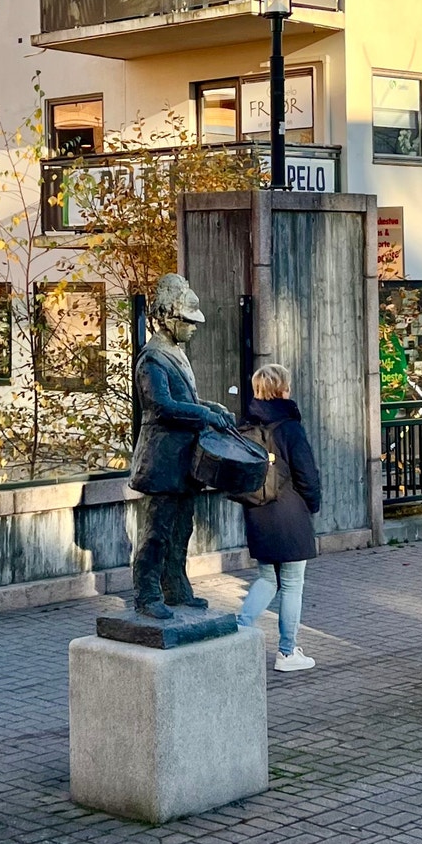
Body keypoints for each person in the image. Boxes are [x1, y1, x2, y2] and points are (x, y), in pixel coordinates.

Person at [127, 272, 236, 619]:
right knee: (157, 532)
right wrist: (204, 414)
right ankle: (147, 594)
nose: (194, 328)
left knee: (182, 528)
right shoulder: (153, 358)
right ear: (171, 319)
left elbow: (184, 399)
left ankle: (176, 586)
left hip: (183, 459)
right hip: (162, 460)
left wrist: (211, 407)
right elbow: (161, 406)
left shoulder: (175, 352)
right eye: (188, 322)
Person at [236, 363, 322, 674]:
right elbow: (306, 474)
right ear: (282, 389)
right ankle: (287, 652)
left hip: (258, 512)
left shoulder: (245, 428)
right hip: (290, 513)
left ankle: (239, 630)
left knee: (266, 579)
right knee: (292, 583)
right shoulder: (289, 428)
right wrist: (312, 505)